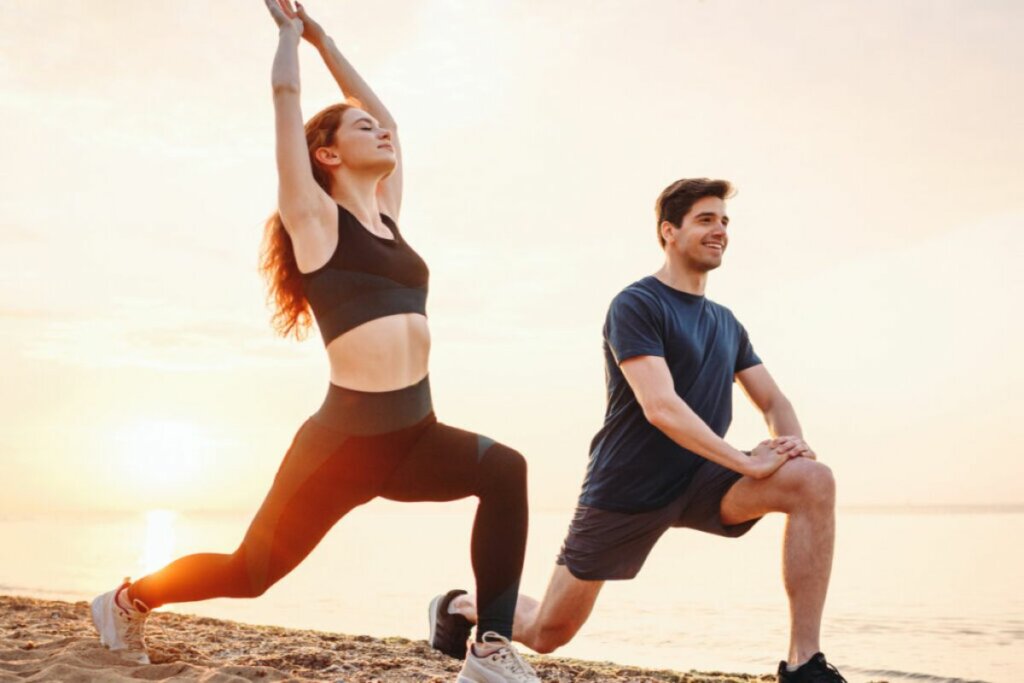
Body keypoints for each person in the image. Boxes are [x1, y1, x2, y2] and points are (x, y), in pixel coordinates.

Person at [90, 2, 538, 681]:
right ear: (326, 153)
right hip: (341, 448)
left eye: (378, 127)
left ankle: (490, 652)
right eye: (361, 128)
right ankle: (128, 598)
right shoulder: (314, 219)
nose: (381, 132)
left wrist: (330, 39)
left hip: (416, 434)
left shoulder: (387, 214)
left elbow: (389, 119)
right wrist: (292, 36)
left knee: (506, 470)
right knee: (251, 572)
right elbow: (285, 95)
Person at [429, 178, 847, 682]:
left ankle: (805, 664)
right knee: (547, 633)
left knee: (813, 480)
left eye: (725, 222)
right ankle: (459, 606)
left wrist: (790, 445)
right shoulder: (638, 304)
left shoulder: (727, 323)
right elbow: (660, 407)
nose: (720, 230)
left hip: (704, 478)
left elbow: (773, 399)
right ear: (669, 232)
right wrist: (746, 460)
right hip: (628, 485)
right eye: (706, 219)